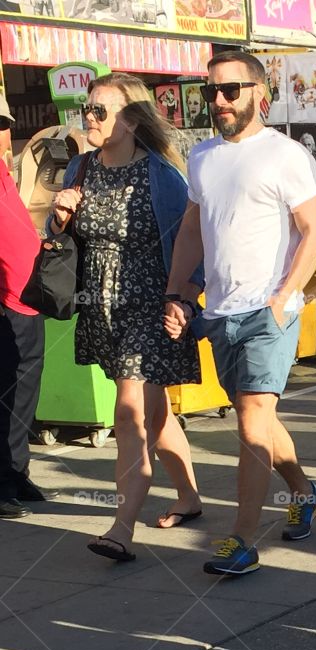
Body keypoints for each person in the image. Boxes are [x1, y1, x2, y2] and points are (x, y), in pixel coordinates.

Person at [163, 49, 316, 577]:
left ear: (260, 93)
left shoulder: (284, 154)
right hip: (221, 310)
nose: (219, 100)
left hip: (267, 310)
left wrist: (283, 299)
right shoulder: (204, 156)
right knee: (256, 417)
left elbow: (315, 231)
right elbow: (193, 228)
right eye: (211, 90)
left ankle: (242, 538)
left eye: (231, 90)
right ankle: (303, 491)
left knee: (253, 417)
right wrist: (178, 294)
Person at [52, 72, 204, 561]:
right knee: (155, 416)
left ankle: (121, 527)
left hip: (150, 307)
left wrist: (184, 298)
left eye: (100, 111)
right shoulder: (80, 167)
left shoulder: (161, 176)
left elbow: (192, 241)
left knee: (129, 413)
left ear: (131, 119)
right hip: (100, 308)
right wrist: (58, 219)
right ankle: (190, 496)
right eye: (86, 110)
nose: (88, 119)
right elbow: (59, 239)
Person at [0, 144, 47, 519]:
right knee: (5, 396)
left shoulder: (4, 174)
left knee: (24, 393)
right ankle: (2, 484)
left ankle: (17, 473)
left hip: (27, 299)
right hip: (5, 302)